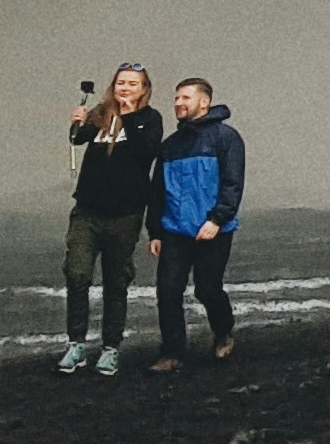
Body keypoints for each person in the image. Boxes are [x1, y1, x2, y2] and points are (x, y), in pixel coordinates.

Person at [61, 66, 161, 377]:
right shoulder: (101, 112)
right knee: (77, 275)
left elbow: (149, 152)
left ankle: (110, 348)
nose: (125, 88)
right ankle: (76, 344)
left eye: (133, 84)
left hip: (125, 215)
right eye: (121, 83)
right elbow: (78, 140)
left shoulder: (150, 119)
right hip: (87, 211)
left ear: (144, 88)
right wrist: (77, 122)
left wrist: (130, 117)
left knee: (116, 282)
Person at [147, 76, 245, 372]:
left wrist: (217, 219)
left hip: (213, 229)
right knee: (168, 291)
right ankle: (172, 352)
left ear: (205, 102)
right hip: (175, 229)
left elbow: (232, 183)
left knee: (207, 289)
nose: (178, 103)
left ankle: (223, 330)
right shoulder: (170, 146)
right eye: (176, 98)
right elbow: (158, 191)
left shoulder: (226, 138)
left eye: (185, 98)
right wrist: (155, 231)